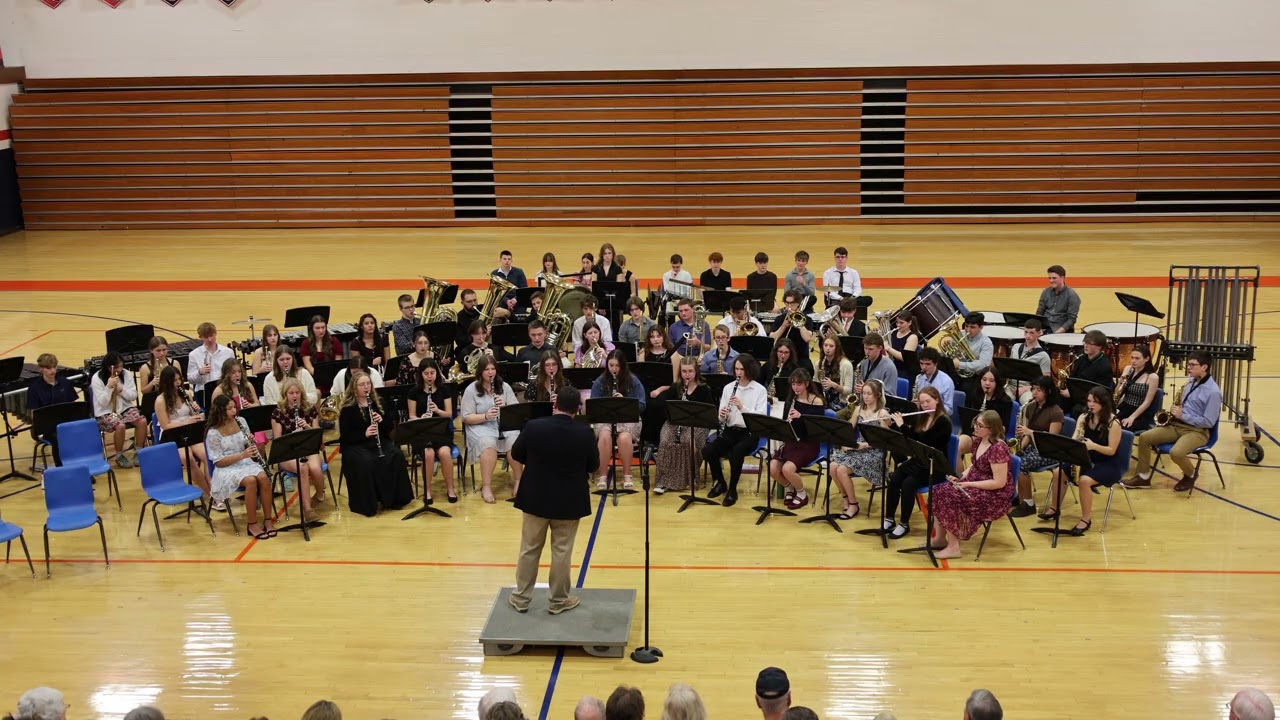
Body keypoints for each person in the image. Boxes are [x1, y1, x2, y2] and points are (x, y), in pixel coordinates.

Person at [509, 386, 597, 615]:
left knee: (529, 549)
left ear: (555, 405)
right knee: (561, 552)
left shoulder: (534, 426)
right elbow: (594, 466)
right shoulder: (584, 432)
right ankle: (558, 600)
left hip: (535, 498)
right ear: (577, 409)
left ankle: (521, 598)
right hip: (569, 501)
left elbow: (517, 454)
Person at [1127, 350, 1221, 492]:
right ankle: (1143, 477)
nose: (1188, 368)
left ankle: (1190, 474)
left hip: (1197, 431)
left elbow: (1208, 422)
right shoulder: (1190, 382)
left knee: (1176, 453)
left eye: (1192, 365)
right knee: (1145, 438)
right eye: (1188, 364)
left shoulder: (1213, 392)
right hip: (1177, 425)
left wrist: (1183, 415)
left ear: (1204, 367)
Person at [1040, 386, 1123, 535]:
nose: (1090, 405)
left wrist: (1093, 446)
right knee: (1058, 471)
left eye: (1095, 402)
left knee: (1084, 480)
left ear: (1104, 403)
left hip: (1107, 463)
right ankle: (1055, 508)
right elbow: (1075, 439)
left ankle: (1086, 519)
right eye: (1089, 401)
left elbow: (1112, 450)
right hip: (1086, 458)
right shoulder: (1084, 417)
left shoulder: (1113, 423)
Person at [929, 409, 1012, 558]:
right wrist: (961, 478)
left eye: (980, 426)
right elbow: (974, 465)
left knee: (950, 497)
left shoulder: (999, 448)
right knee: (939, 490)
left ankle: (954, 547)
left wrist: (970, 484)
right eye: (976, 423)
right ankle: (939, 539)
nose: (975, 427)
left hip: (994, 495)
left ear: (991, 429)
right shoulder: (979, 440)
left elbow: (999, 482)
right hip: (976, 483)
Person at [338, 372, 413, 516]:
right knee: (366, 462)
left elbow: (388, 429)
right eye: (362, 384)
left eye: (368, 383)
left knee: (395, 455)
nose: (366, 387)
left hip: (376, 443)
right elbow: (346, 437)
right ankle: (370, 503)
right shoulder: (348, 409)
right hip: (355, 446)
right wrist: (364, 434)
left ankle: (394, 499)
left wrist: (381, 420)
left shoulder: (378, 403)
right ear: (354, 388)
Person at [882, 386, 952, 540]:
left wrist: (902, 426)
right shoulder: (921, 417)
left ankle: (904, 524)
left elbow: (922, 442)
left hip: (936, 465)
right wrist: (894, 424)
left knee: (908, 484)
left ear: (937, 400)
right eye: (922, 402)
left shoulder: (943, 423)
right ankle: (889, 518)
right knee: (894, 478)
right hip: (920, 460)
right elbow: (910, 441)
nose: (925, 405)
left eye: (928, 401)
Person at [205, 395, 275, 539]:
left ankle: (268, 520)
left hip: (245, 461)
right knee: (250, 481)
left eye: (234, 407)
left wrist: (251, 443)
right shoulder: (213, 433)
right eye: (229, 408)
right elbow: (218, 462)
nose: (233, 411)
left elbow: (246, 444)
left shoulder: (241, 421)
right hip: (226, 468)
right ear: (220, 411)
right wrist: (242, 455)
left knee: (263, 478)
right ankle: (252, 524)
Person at [704, 354, 768, 507]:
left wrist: (741, 407)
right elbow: (721, 418)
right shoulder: (728, 388)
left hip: (750, 433)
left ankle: (732, 490)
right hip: (730, 430)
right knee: (709, 451)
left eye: (742, 369)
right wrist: (722, 415)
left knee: (736, 453)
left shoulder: (759, 390)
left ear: (749, 370)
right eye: (736, 369)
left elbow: (760, 417)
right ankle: (720, 482)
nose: (738, 372)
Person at [461, 355, 525, 503]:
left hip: (504, 425)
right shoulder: (471, 390)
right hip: (480, 426)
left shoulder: (504, 387)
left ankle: (518, 481)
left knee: (514, 440)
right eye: (486, 370)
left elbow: (517, 411)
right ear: (480, 372)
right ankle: (486, 486)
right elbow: (466, 417)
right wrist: (485, 415)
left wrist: (504, 407)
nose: (490, 373)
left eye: (493, 369)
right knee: (488, 443)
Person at [653, 358, 715, 494]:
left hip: (698, 424)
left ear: (696, 371)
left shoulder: (704, 389)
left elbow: (709, 414)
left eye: (690, 371)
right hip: (675, 422)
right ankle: (664, 481)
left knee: (688, 441)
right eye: (684, 371)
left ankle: (689, 478)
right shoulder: (676, 387)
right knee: (665, 440)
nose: (687, 374)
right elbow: (667, 407)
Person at [830, 378, 891, 517]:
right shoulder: (859, 409)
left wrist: (865, 445)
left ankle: (853, 505)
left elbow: (884, 440)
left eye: (869, 393)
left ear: (877, 395)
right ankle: (846, 498)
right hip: (859, 448)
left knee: (841, 470)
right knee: (832, 467)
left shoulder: (882, 413)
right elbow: (849, 430)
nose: (865, 396)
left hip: (875, 451)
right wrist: (849, 443)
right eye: (864, 393)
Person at [1010, 376, 1066, 518]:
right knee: (1013, 459)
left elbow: (1051, 438)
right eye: (1033, 389)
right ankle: (1018, 496)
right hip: (1034, 447)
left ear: (1048, 392)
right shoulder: (1031, 407)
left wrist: (1030, 432)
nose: (1034, 393)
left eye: (1038, 390)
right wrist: (1019, 449)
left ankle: (1028, 504)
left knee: (1023, 464)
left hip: (1049, 450)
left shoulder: (1056, 412)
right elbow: (1027, 435)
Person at [270, 377, 325, 521]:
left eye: (297, 393)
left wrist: (307, 428)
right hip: (288, 453)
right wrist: (292, 437)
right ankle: (307, 509)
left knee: (315, 468)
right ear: (285, 395)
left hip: (308, 448)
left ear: (302, 393)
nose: (294, 396)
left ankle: (319, 495)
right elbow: (277, 440)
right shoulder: (278, 412)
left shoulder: (310, 409)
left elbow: (319, 437)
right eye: (291, 393)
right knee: (303, 468)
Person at [590, 350, 646, 490]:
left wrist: (625, 402)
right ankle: (603, 474)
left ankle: (627, 474)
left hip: (628, 418)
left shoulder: (633, 381)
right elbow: (593, 405)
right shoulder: (600, 381)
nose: (614, 369)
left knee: (624, 438)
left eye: (617, 366)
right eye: (611, 365)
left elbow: (642, 405)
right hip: (605, 418)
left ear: (623, 366)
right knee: (604, 436)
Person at [154, 366, 211, 503]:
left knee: (206, 455)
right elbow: (165, 425)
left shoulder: (186, 394)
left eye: (179, 379)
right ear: (167, 382)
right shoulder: (160, 401)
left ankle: (214, 489)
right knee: (188, 458)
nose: (178, 383)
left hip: (190, 431)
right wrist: (187, 421)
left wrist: (196, 411)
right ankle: (209, 494)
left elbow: (195, 416)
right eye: (174, 380)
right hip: (172, 434)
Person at [770, 369, 825, 510]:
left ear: (806, 384)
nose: (795, 387)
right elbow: (784, 423)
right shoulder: (791, 401)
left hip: (809, 443)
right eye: (793, 384)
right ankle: (790, 488)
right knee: (773, 469)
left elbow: (817, 429)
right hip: (792, 441)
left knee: (788, 469)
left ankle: (802, 494)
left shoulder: (816, 401)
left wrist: (802, 417)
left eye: (799, 384)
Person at [408, 359, 457, 504]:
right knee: (428, 453)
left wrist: (437, 411)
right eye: (426, 373)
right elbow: (411, 416)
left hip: (441, 431)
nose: (430, 376)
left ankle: (450, 488)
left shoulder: (444, 390)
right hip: (422, 431)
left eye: (432, 373)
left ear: (437, 373)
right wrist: (420, 418)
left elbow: (449, 414)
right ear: (421, 374)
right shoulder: (414, 392)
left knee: (444, 453)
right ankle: (427, 491)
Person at [91, 351, 149, 468]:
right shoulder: (97, 378)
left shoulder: (126, 374)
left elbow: (133, 395)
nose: (120, 369)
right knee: (120, 425)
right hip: (105, 412)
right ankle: (119, 455)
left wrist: (121, 389)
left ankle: (138, 451)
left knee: (142, 421)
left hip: (124, 408)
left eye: (121, 366)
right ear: (108, 367)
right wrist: (108, 387)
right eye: (116, 367)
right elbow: (102, 403)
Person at [25, 353, 79, 466]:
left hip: (66, 422)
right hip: (47, 427)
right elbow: (34, 413)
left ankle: (81, 467)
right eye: (48, 368)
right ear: (40, 369)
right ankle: (62, 468)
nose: (53, 371)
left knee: (80, 432)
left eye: (54, 367)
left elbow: (73, 406)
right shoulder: (34, 388)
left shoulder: (65, 383)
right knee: (58, 438)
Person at [957, 367, 1013, 461]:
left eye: (991, 380)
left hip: (992, 439)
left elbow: (1003, 429)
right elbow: (966, 418)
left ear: (997, 383)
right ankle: (959, 475)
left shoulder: (1005, 401)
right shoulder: (973, 394)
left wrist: (985, 434)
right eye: (984, 379)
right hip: (973, 435)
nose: (987, 383)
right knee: (958, 445)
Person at [1061, 329, 1115, 416]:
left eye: (1090, 343)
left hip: (1091, 400)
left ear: (1099, 347)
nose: (1086, 346)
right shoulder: (1082, 356)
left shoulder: (1105, 367)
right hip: (1076, 395)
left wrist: (1072, 393)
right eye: (1085, 342)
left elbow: (1100, 393)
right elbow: (1074, 377)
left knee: (1077, 409)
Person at [1114, 343, 1159, 432]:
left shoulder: (1152, 377)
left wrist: (1132, 417)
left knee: (1120, 428)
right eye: (1132, 358)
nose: (1133, 361)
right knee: (1107, 423)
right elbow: (1117, 393)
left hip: (1139, 412)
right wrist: (1120, 382)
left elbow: (1147, 402)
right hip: (1124, 407)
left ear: (1146, 359)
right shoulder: (1128, 369)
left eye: (1137, 358)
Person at [1006, 318, 1051, 401]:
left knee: (1028, 403)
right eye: (1026, 332)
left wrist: (1026, 388)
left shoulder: (1043, 356)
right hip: (1011, 386)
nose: (1027, 336)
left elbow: (1045, 382)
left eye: (1031, 333)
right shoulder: (1015, 347)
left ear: (1040, 333)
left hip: (1029, 389)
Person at [768, 291, 815, 369]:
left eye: (792, 303)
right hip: (782, 356)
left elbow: (807, 338)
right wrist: (783, 326)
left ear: (798, 303)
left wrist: (799, 323)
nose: (789, 306)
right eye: (787, 303)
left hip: (800, 357)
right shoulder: (779, 319)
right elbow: (772, 338)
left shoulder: (807, 319)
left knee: (808, 368)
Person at [955, 313, 995, 397]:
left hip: (974, 377)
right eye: (966, 326)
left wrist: (960, 365)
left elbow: (983, 365)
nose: (968, 330)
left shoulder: (986, 343)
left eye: (972, 327)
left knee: (966, 388)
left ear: (981, 327)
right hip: (956, 372)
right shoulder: (959, 334)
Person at [187, 321, 235, 388]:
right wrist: (199, 372)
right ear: (201, 337)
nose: (210, 339)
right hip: (203, 390)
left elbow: (234, 372)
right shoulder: (194, 354)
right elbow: (190, 379)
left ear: (215, 334)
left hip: (224, 388)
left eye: (211, 335)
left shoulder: (228, 352)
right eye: (206, 337)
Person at [1036, 264, 1081, 333]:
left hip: (1061, 330)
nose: (1051, 281)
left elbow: (1071, 319)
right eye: (1049, 278)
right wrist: (1038, 329)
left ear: (1062, 278)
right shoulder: (1045, 292)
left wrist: (1058, 333)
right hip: (1045, 328)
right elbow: (1039, 313)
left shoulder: (1072, 295)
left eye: (1054, 278)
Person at [856, 334, 898, 403]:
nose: (867, 352)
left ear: (880, 348)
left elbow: (890, 395)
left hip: (879, 406)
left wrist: (867, 390)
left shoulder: (889, 367)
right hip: (865, 402)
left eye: (870, 349)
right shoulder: (864, 363)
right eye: (865, 348)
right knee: (837, 414)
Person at [816, 335, 854, 412]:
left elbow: (848, 390)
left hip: (841, 403)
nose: (827, 348)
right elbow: (816, 383)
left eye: (831, 346)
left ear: (837, 348)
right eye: (825, 345)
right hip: (823, 400)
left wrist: (834, 385)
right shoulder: (818, 363)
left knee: (828, 413)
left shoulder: (846, 364)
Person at [299, 314, 344, 378]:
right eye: (317, 328)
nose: (321, 331)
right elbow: (308, 366)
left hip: (332, 376)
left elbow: (337, 363)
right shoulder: (306, 343)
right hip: (314, 377)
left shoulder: (334, 341)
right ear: (312, 329)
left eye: (323, 327)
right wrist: (320, 377)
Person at [914, 347, 955, 414]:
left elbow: (949, 410)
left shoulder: (947, 381)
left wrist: (932, 408)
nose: (924, 367)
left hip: (938, 417)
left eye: (928, 364)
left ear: (936, 363)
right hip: (922, 415)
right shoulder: (919, 378)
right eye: (921, 363)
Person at [493, 249, 529, 318]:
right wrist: (506, 301)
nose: (507, 261)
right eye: (504, 259)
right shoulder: (494, 274)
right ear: (500, 260)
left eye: (509, 259)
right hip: (502, 301)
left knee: (521, 314)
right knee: (497, 312)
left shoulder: (519, 272)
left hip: (517, 300)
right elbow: (496, 292)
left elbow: (524, 289)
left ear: (511, 260)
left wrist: (515, 300)